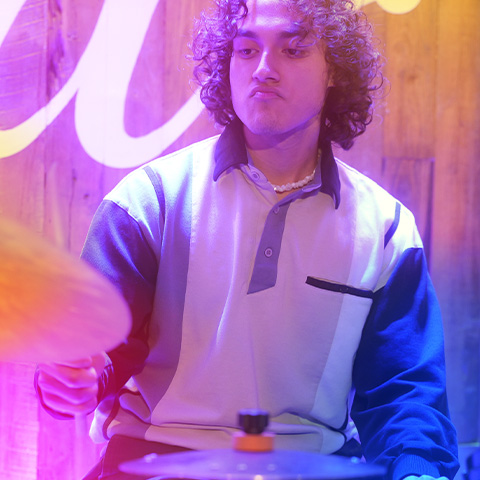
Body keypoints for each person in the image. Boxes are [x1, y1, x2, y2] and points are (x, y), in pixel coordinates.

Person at [35, 0, 459, 479]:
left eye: (293, 50)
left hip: (312, 469)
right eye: (246, 49)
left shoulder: (386, 228)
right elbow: (94, 357)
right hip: (152, 462)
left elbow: (404, 395)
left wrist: (419, 469)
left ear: (335, 70)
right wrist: (72, 381)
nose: (263, 69)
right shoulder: (148, 200)